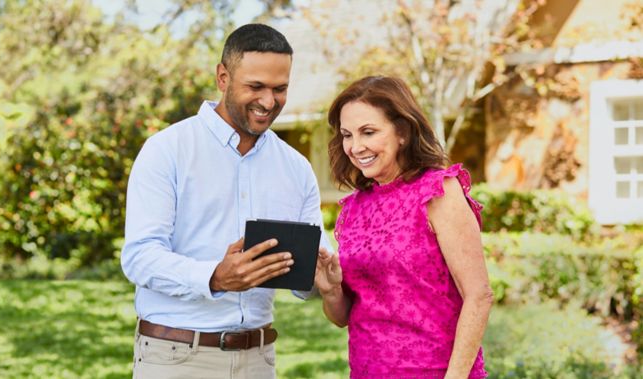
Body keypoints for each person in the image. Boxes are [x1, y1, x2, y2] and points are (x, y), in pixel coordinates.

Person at [121, 23, 331, 379]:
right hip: (177, 359)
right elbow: (140, 257)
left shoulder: (296, 168)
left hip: (259, 359)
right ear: (223, 77)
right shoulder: (167, 151)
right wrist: (215, 277)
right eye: (256, 86)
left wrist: (318, 280)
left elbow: (307, 273)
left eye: (280, 89)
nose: (269, 102)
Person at [315, 76, 493, 378]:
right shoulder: (354, 208)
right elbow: (345, 316)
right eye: (347, 135)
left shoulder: (438, 192)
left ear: (402, 132)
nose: (355, 147)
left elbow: (479, 295)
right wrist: (331, 291)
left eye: (368, 132)